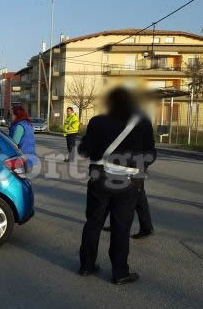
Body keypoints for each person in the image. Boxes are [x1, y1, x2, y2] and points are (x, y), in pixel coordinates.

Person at [77, 87, 156, 285]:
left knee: (93, 223)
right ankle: (120, 273)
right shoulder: (143, 123)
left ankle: (86, 266)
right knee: (121, 228)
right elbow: (151, 154)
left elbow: (84, 150)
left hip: (99, 178)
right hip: (128, 183)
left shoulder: (97, 121)